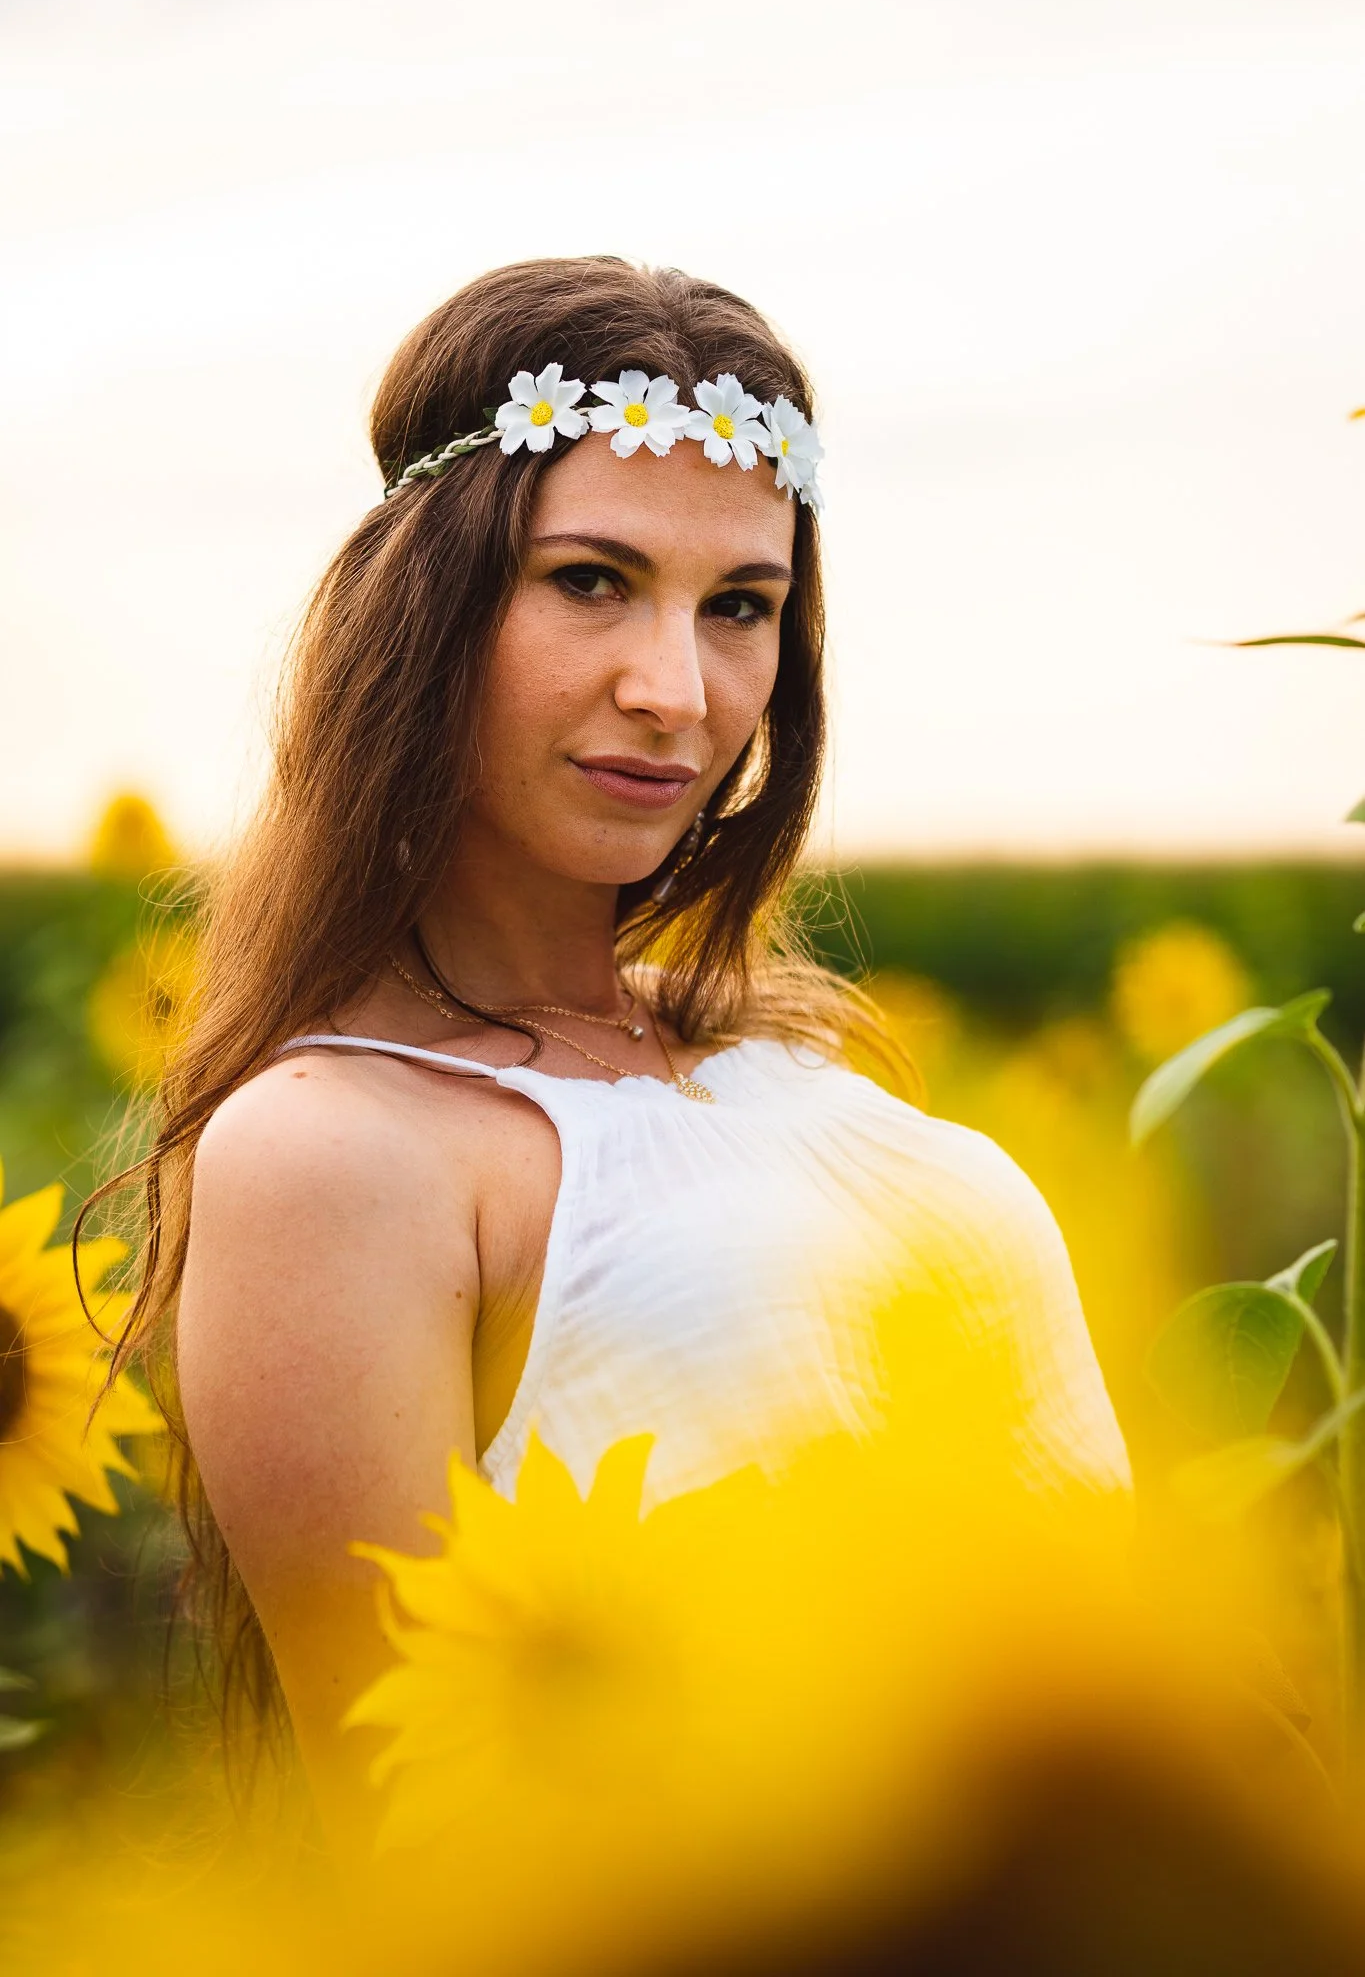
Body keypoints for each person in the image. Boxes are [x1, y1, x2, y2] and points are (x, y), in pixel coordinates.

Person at [95, 257, 1129, 1830]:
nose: (677, 691)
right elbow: (426, 1842)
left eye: (741, 608)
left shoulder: (782, 1058)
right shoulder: (334, 1147)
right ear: (426, 607)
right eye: (591, 581)